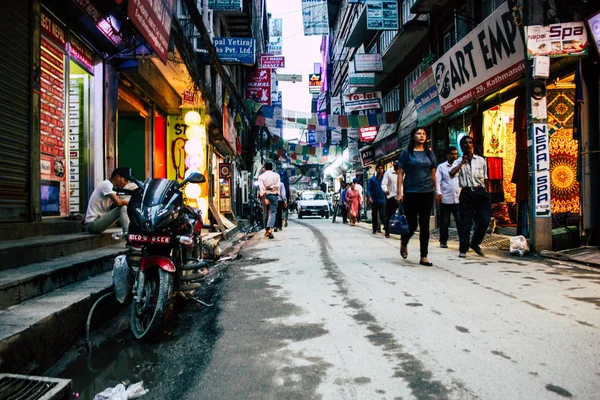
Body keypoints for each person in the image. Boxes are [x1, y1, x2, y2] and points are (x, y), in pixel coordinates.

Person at [396, 127, 437, 266]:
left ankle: (424, 256)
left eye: (424, 134)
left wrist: (438, 191)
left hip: (427, 192)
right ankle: (404, 241)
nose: (421, 136)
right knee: (412, 225)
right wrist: (399, 192)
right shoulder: (406, 153)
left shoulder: (429, 154)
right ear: (413, 136)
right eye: (418, 133)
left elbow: (433, 174)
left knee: (425, 225)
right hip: (411, 193)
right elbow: (400, 173)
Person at [450, 136, 491, 258]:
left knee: (484, 221)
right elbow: (452, 174)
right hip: (466, 193)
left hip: (480, 191)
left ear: (473, 145)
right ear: (462, 147)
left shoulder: (481, 160)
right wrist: (463, 161)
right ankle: (463, 248)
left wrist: (487, 194)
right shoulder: (458, 162)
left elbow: (485, 178)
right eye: (465, 143)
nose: (468, 145)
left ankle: (475, 243)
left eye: (470, 142)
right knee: (465, 222)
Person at [85, 167, 131, 236]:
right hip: (92, 224)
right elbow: (118, 203)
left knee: (124, 207)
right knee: (123, 207)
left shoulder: (114, 189)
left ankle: (133, 234)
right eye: (125, 180)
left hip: (99, 220)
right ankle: (128, 237)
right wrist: (132, 203)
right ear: (117, 177)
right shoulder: (107, 185)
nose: (125, 183)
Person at [435, 146, 461, 248]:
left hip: (458, 198)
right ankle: (443, 241)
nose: (454, 156)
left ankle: (462, 242)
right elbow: (438, 181)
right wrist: (438, 192)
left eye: (455, 154)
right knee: (445, 222)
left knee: (460, 221)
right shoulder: (441, 167)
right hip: (446, 198)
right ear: (447, 155)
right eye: (452, 154)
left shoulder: (460, 165)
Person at [257, 162, 280, 239]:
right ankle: (270, 229)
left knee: (265, 213)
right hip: (274, 195)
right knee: (273, 213)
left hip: (265, 195)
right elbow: (277, 186)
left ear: (264, 168)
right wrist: (272, 187)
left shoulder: (261, 177)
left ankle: (267, 230)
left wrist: (266, 193)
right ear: (272, 168)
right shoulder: (277, 176)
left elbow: (262, 188)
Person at [381, 162, 400, 238]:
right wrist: (386, 190)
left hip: (402, 196)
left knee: (403, 215)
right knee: (389, 215)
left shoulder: (403, 172)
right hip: (391, 197)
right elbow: (383, 184)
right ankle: (387, 231)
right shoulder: (388, 173)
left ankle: (402, 231)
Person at [367, 163, 386, 235]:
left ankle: (385, 229)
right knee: (374, 216)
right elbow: (369, 189)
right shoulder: (372, 180)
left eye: (381, 169)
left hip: (382, 200)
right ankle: (374, 229)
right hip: (374, 200)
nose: (380, 170)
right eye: (379, 168)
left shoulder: (385, 179)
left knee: (382, 215)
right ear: (376, 169)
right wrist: (369, 197)